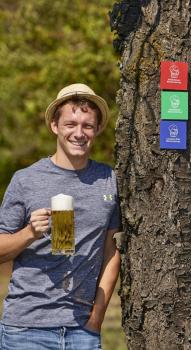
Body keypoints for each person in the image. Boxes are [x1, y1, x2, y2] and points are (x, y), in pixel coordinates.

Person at [0, 83, 121, 350]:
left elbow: (112, 252)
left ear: (97, 129)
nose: (79, 133)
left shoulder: (108, 180)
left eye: (87, 126)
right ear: (55, 125)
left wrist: (97, 317)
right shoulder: (26, 180)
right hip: (25, 329)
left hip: (82, 330)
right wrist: (29, 233)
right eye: (70, 124)